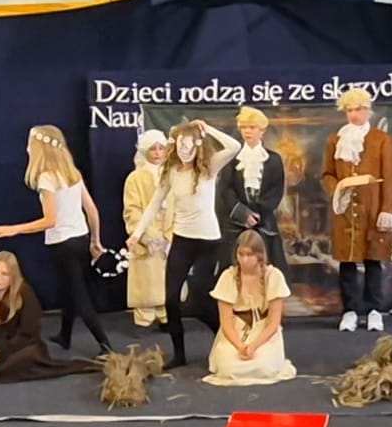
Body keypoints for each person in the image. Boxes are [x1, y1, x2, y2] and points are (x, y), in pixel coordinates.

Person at [0, 125, 112, 354]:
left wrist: (14, 229)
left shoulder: (46, 178)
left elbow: (50, 220)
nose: (27, 148)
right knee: (70, 288)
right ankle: (65, 335)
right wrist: (95, 240)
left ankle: (107, 347)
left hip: (63, 243)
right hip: (81, 237)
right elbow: (92, 210)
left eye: (30, 143)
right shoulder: (72, 173)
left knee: (79, 295)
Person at [126, 118, 239, 368]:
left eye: (188, 145)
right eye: (179, 145)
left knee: (202, 302)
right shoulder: (172, 171)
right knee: (171, 299)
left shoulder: (209, 167)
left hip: (208, 241)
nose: (183, 150)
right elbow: (155, 203)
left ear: (198, 145)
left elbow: (234, 147)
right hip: (182, 239)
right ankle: (179, 355)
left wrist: (207, 128)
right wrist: (136, 234)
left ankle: (229, 341)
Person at [0, 252, 99, 385]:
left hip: (15, 346)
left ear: (13, 276)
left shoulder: (25, 295)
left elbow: (26, 333)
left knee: (28, 356)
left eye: (4, 274)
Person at [321, 88, 392, 333]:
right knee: (347, 263)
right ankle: (350, 311)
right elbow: (327, 174)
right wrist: (337, 189)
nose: (354, 114)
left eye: (358, 109)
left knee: (373, 260)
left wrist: (387, 209)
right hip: (344, 211)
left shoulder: (381, 139)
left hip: (372, 209)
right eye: (349, 110)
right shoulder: (335, 140)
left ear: (367, 111)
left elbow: (390, 177)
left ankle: (374, 310)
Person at [203, 229, 296, 386]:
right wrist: (240, 346)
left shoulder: (273, 276)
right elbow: (226, 323)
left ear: (259, 255)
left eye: (249, 255)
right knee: (227, 367)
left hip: (263, 334)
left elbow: (274, 323)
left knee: (265, 366)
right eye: (241, 254)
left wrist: (254, 346)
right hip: (236, 333)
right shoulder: (228, 277)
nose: (244, 259)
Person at [216, 106, 288, 275]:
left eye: (252, 127)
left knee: (269, 268)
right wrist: (243, 214)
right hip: (235, 223)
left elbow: (276, 190)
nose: (247, 131)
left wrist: (257, 214)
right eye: (244, 127)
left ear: (262, 130)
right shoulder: (232, 159)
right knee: (231, 268)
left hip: (264, 222)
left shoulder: (273, 160)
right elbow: (225, 188)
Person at [122, 129, 172, 329]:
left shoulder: (173, 175)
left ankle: (167, 315)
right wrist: (145, 235)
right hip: (148, 236)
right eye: (153, 149)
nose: (158, 153)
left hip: (169, 232)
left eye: (161, 148)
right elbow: (132, 210)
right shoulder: (135, 178)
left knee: (168, 278)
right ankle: (145, 318)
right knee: (147, 277)